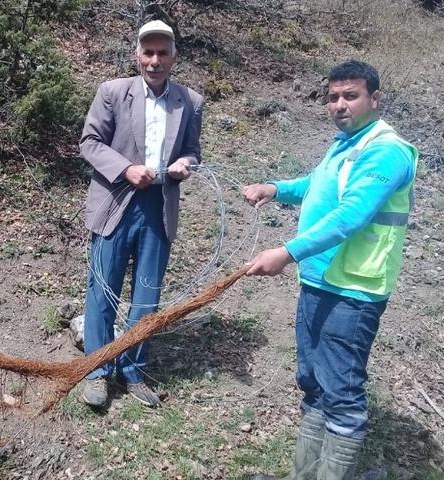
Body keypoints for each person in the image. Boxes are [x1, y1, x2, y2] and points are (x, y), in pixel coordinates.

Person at [242, 61, 418, 479]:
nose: (340, 104)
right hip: (320, 282)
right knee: (314, 384)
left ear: (375, 99)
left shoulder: (386, 150)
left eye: (350, 96)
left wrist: (287, 252)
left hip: (354, 291)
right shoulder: (345, 144)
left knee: (341, 393)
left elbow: (351, 215)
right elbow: (317, 183)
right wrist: (276, 189)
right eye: (333, 97)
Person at [79, 20, 203, 408]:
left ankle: (133, 371)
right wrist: (126, 169)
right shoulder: (113, 92)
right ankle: (97, 371)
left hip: (158, 208)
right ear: (137, 55)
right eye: (148, 52)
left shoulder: (190, 101)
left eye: (162, 53)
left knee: (147, 296)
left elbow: (193, 151)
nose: (154, 61)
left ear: (173, 58)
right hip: (115, 202)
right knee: (103, 289)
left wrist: (185, 163)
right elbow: (90, 141)